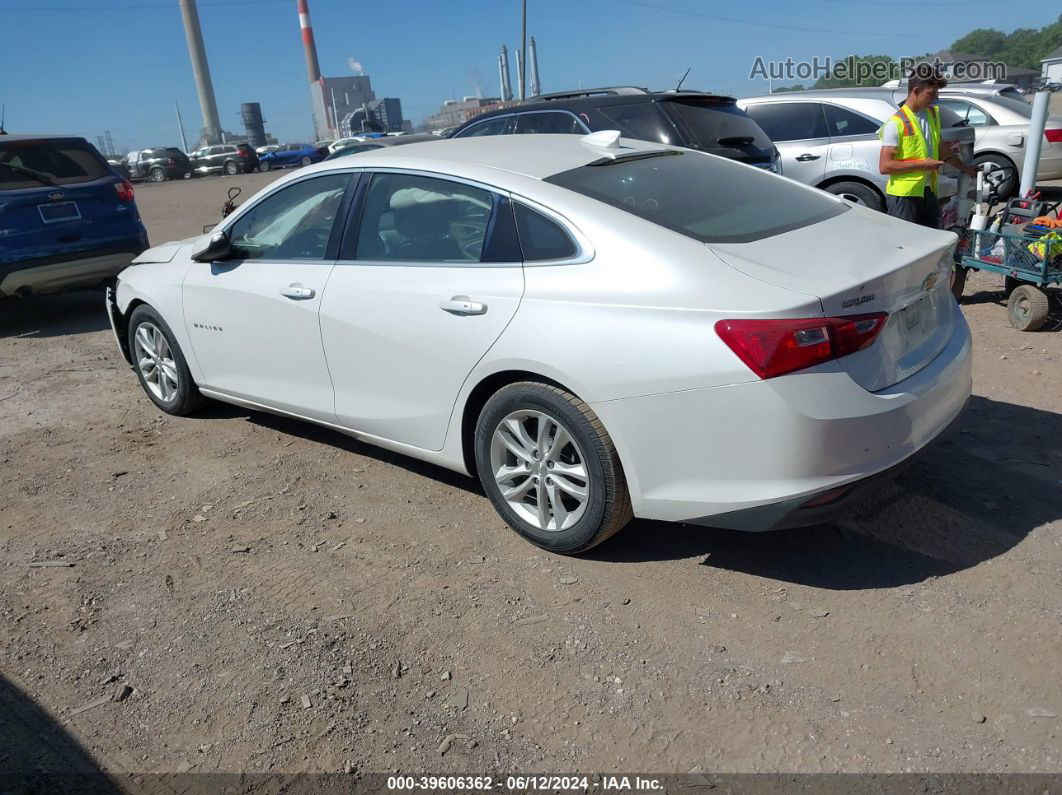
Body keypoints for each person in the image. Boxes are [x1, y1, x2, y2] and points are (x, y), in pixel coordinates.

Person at [878, 65, 978, 228]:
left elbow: (941, 149)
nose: (935, 98)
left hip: (928, 191)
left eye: (936, 93)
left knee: (931, 239)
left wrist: (965, 168)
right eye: (931, 93)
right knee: (906, 243)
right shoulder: (895, 124)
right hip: (904, 197)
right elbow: (885, 166)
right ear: (916, 91)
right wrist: (924, 164)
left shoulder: (932, 114)